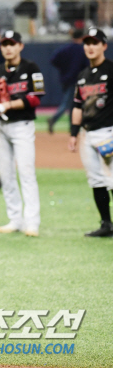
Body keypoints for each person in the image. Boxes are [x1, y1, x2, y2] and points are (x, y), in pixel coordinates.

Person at [0, 30, 45, 237]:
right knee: (6, 175)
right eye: (5, 44)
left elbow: (35, 98)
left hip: (22, 125)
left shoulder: (31, 68)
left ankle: (32, 222)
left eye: (12, 44)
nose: (8, 48)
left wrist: (5, 105)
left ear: (20, 46)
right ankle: (15, 219)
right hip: (1, 127)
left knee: (26, 174)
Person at [68, 28, 113, 237]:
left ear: (104, 46)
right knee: (96, 180)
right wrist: (73, 133)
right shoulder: (83, 76)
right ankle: (106, 224)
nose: (90, 47)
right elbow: (77, 105)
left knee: (112, 179)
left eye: (95, 43)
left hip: (109, 132)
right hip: (88, 134)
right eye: (87, 43)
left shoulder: (111, 70)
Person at [49, 29, 89, 134]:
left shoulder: (66, 49)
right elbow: (86, 66)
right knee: (69, 103)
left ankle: (72, 126)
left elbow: (53, 59)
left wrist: (63, 69)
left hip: (65, 80)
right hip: (76, 81)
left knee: (72, 104)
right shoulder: (82, 50)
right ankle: (54, 119)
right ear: (81, 38)